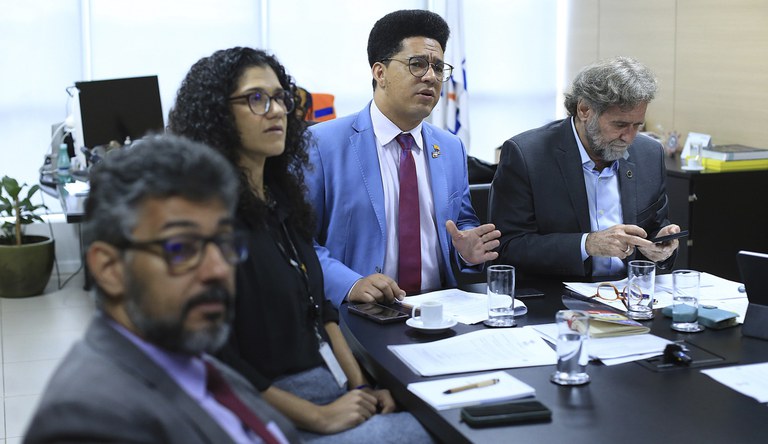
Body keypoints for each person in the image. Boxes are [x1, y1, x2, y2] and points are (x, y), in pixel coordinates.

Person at [168, 47, 432, 443]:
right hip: (261, 413)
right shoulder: (203, 220)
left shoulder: (280, 202)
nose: (275, 110)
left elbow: (321, 313)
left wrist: (361, 388)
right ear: (216, 114)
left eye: (280, 98)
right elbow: (212, 363)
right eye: (257, 99)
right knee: (425, 433)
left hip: (322, 384)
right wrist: (319, 417)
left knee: (427, 415)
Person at [24, 135, 299, 443]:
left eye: (223, 243)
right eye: (181, 248)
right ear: (109, 269)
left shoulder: (191, 358)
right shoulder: (87, 420)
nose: (219, 269)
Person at [306, 9, 500, 307]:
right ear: (380, 73)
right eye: (417, 64)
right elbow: (301, 241)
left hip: (440, 310)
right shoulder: (323, 143)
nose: (431, 77)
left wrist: (466, 251)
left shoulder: (450, 148)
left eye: (438, 67)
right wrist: (350, 284)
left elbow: (461, 225)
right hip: (358, 311)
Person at [490, 56, 680, 279]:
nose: (629, 137)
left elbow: (656, 228)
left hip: (628, 296)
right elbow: (507, 248)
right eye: (619, 125)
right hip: (555, 300)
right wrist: (587, 244)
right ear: (584, 109)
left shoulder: (648, 154)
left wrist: (661, 245)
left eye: (637, 125)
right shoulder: (527, 155)